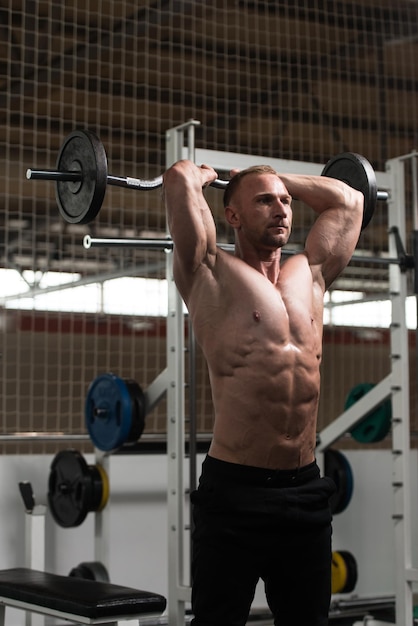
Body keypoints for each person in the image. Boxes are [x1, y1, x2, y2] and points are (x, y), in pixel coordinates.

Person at [162, 160, 363, 626]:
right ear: (231, 216)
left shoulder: (310, 274)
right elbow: (177, 178)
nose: (282, 209)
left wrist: (273, 179)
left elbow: (349, 199)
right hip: (236, 494)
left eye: (287, 202)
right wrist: (215, 177)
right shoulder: (209, 274)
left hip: (306, 490)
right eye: (265, 201)